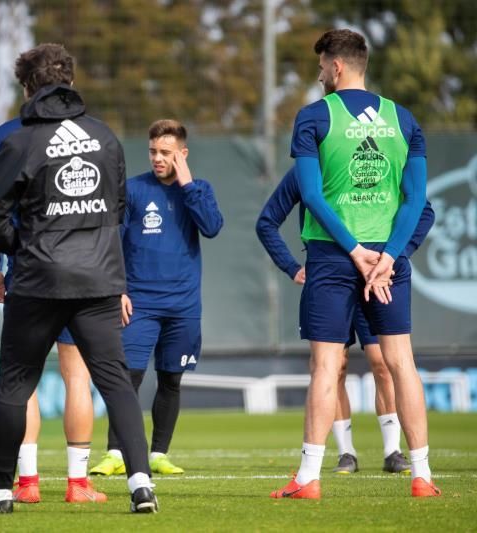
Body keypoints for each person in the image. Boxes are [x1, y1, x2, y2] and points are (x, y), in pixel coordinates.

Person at [0, 43, 158, 515]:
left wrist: (21, 248)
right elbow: (117, 209)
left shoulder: (19, 141)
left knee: (15, 383)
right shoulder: (104, 137)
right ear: (70, 81)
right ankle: (142, 486)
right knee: (115, 383)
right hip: (99, 280)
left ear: (28, 87)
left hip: (39, 280)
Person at [270, 29, 440, 499]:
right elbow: (416, 201)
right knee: (402, 363)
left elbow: (311, 195)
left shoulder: (314, 116)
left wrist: (352, 250)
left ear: (337, 66)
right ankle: (422, 476)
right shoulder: (404, 119)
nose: (319, 75)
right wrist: (390, 256)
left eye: (321, 67)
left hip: (332, 255)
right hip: (387, 259)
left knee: (326, 367)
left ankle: (308, 478)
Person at [0, 55, 104, 504]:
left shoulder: (7, 135)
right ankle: (77, 484)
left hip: (29, 267)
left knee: (21, 378)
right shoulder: (93, 132)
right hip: (86, 269)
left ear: (27, 88)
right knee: (77, 377)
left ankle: (27, 482)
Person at [256, 166, 435, 474]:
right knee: (332, 366)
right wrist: (292, 267)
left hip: (375, 276)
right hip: (330, 274)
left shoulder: (377, 164)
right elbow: (266, 222)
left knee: (384, 362)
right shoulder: (306, 170)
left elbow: (423, 208)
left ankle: (393, 450)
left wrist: (398, 254)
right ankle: (346, 452)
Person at [90, 120, 223, 477]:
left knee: (171, 379)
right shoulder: (133, 190)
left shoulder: (199, 189)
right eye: (153, 151)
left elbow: (212, 227)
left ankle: (159, 453)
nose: (158, 158)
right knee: (127, 378)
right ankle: (115, 453)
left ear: (182, 154)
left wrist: (188, 185)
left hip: (183, 306)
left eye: (166, 152)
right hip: (139, 303)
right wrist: (117, 289)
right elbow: (112, 242)